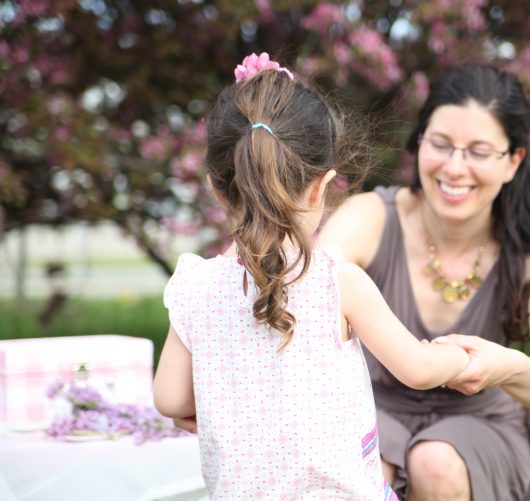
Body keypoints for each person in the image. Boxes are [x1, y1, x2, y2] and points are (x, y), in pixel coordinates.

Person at [152, 52, 470, 501]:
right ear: (322, 186)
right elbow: (418, 369)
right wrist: (462, 358)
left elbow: (170, 399)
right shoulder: (336, 282)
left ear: (217, 190)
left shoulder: (194, 287)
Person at [317, 63, 530, 501]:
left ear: (513, 161)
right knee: (362, 466)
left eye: (479, 152)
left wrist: (504, 366)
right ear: (420, 142)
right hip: (371, 411)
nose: (454, 168)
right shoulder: (370, 217)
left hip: (482, 427)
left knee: (436, 463)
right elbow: (305, 296)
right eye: (440, 144)